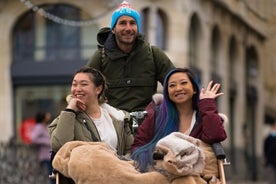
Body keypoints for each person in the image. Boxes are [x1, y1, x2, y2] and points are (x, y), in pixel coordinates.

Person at [131, 67, 227, 172]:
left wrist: (207, 103)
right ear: (167, 92)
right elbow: (138, 146)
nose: (178, 88)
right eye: (172, 85)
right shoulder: (156, 114)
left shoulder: (203, 116)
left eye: (183, 83)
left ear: (194, 89)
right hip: (159, 173)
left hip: (195, 174)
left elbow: (215, 136)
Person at [49, 66, 134, 183]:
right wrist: (70, 110)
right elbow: (59, 146)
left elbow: (132, 149)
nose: (77, 89)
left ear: (98, 89)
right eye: (74, 84)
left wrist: (119, 165)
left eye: (83, 84)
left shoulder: (117, 117)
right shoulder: (66, 118)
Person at [87, 0, 175, 112]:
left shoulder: (154, 54)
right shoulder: (101, 56)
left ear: (137, 28)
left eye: (132, 23)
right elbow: (85, 88)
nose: (128, 28)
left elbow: (175, 83)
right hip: (112, 124)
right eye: (122, 23)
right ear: (113, 29)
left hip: (148, 125)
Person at [31, 111, 54, 184]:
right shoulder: (39, 127)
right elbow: (34, 139)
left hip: (51, 154)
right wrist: (46, 141)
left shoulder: (47, 125)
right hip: (45, 155)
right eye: (47, 115)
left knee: (53, 174)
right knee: (50, 174)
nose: (49, 116)